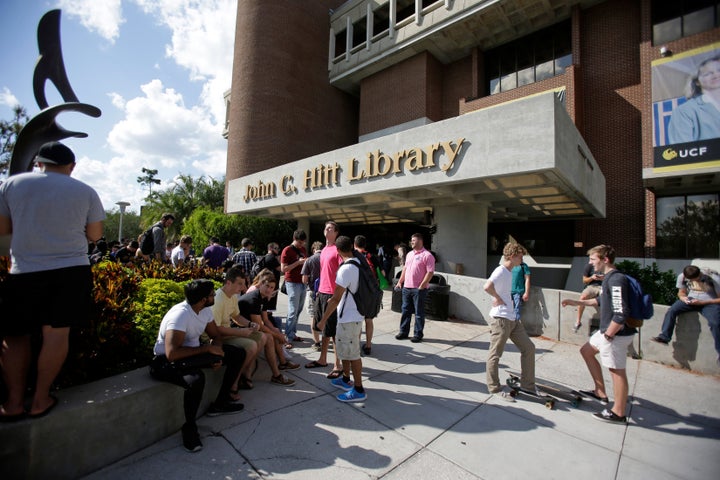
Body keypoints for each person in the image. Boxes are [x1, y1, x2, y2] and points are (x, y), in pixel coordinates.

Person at [0, 141, 105, 421]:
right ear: (71, 167)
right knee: (56, 334)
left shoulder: (11, 185)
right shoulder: (85, 191)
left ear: (38, 163)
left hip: (23, 269)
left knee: (14, 335)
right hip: (70, 269)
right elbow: (95, 235)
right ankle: (40, 399)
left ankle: (12, 403)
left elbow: (2, 228)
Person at [149, 279, 246, 452]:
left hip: (194, 353)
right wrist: (207, 350)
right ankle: (189, 428)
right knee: (196, 379)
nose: (215, 295)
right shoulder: (180, 316)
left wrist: (214, 354)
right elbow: (172, 354)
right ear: (203, 299)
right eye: (211, 294)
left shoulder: (205, 310)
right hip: (165, 362)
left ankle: (221, 403)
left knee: (237, 354)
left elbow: (215, 335)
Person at [561, 245, 636, 424]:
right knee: (586, 351)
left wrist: (609, 335)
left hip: (615, 333)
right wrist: (575, 302)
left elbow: (621, 311)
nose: (590, 263)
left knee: (616, 371)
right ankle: (600, 392)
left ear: (605, 260)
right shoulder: (608, 278)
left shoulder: (616, 279)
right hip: (606, 331)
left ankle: (618, 413)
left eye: (593, 259)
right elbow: (601, 300)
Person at [483, 242, 536, 401]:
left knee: (529, 348)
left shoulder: (510, 271)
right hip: (501, 319)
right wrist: (497, 298)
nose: (522, 259)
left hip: (512, 318)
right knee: (495, 354)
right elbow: (487, 286)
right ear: (512, 256)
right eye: (520, 256)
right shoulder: (501, 270)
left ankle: (527, 385)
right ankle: (494, 387)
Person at [317, 236, 367, 402]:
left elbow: (335, 298)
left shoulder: (346, 269)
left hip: (349, 318)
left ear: (337, 251)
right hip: (350, 316)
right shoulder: (358, 263)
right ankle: (346, 379)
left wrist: (323, 320)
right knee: (345, 351)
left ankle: (359, 389)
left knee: (353, 355)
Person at [210, 266, 267, 394]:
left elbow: (236, 316)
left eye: (243, 283)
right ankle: (235, 381)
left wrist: (249, 324)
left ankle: (246, 372)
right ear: (228, 283)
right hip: (217, 338)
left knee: (262, 337)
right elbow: (216, 330)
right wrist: (240, 332)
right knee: (252, 345)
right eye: (239, 284)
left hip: (227, 333)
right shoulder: (218, 300)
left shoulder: (233, 296)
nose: (242, 287)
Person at [651, 265, 720, 363]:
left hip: (709, 303)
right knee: (672, 310)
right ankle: (664, 337)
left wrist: (701, 303)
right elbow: (681, 293)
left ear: (700, 274)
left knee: (715, 323)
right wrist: (684, 298)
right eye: (691, 280)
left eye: (697, 279)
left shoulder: (713, 278)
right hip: (691, 300)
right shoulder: (682, 277)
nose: (694, 281)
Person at [238, 270, 300, 377]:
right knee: (270, 337)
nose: (269, 290)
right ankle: (276, 375)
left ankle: (283, 363)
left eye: (272, 287)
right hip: (241, 327)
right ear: (260, 284)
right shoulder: (254, 298)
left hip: (253, 326)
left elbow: (265, 320)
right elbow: (260, 325)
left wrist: (277, 332)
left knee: (274, 331)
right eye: (267, 286)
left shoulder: (264, 297)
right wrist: (278, 335)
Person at [305, 221, 344, 379]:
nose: (327, 230)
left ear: (336, 233)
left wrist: (337, 295)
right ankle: (322, 359)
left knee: (334, 332)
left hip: (332, 295)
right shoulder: (324, 251)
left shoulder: (338, 250)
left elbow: (343, 273)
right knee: (324, 332)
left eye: (331, 229)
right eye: (326, 228)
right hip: (320, 293)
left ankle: (337, 364)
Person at [668, 56, 720, 144]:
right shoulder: (684, 111)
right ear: (697, 81)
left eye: (719, 70)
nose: (716, 75)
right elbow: (681, 149)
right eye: (708, 74)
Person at [394, 233, 435, 342]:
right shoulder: (409, 254)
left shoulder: (427, 255)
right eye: (411, 240)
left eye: (413, 240)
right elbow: (405, 269)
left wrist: (421, 286)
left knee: (419, 313)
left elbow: (430, 272)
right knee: (405, 311)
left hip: (419, 290)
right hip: (406, 288)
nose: (411, 242)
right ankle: (403, 332)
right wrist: (400, 282)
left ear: (420, 241)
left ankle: (418, 334)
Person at [354, 235, 381, 354]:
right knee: (369, 319)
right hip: (372, 293)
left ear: (355, 244)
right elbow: (382, 273)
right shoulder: (372, 257)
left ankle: (357, 346)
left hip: (359, 292)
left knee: (358, 320)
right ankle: (368, 345)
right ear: (365, 245)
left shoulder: (354, 256)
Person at [280, 229, 307, 343]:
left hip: (302, 282)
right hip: (292, 282)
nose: (301, 245)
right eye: (300, 242)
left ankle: (292, 333)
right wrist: (298, 263)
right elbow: (283, 269)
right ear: (294, 239)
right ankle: (288, 336)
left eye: (303, 242)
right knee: (292, 310)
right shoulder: (287, 250)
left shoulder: (303, 249)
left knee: (298, 309)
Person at [301, 241, 323, 350]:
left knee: (313, 316)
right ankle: (327, 338)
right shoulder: (328, 259)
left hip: (313, 292)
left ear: (313, 249)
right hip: (326, 292)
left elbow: (304, 280)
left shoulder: (309, 260)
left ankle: (317, 342)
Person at [573, 262, 604, 333]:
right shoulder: (589, 266)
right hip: (592, 286)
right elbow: (584, 280)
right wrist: (592, 277)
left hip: (603, 286)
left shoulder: (606, 266)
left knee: (605, 301)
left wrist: (603, 278)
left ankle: (604, 325)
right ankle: (578, 321)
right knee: (582, 298)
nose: (591, 261)